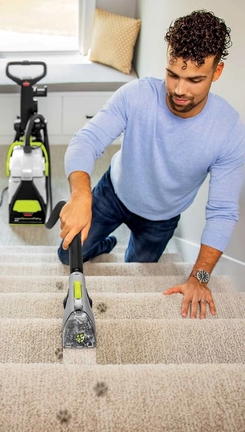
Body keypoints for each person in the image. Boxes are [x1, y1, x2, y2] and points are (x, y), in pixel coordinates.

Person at [57, 10, 245, 319]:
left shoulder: (228, 130)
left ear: (217, 71)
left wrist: (199, 277)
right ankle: (105, 244)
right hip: (111, 195)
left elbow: (223, 212)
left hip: (160, 220)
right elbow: (87, 139)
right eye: (173, 74)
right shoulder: (137, 95)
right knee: (66, 255)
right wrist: (81, 196)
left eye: (195, 79)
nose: (179, 90)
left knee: (134, 277)